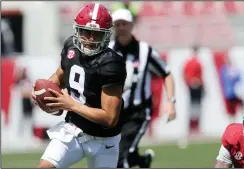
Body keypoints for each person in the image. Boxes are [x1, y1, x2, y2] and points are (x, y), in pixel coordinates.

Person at [31, 3, 127, 168]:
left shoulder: (111, 64)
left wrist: (72, 105)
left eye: (96, 34)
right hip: (73, 130)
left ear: (106, 35)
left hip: (105, 140)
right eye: (86, 32)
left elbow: (110, 118)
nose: (90, 39)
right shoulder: (71, 47)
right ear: (77, 30)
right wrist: (44, 91)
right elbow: (59, 76)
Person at [109, 9, 176, 168]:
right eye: (117, 24)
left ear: (132, 25)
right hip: (114, 113)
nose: (121, 27)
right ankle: (142, 161)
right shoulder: (108, 50)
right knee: (114, 152)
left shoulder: (145, 51)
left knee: (119, 156)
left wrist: (171, 102)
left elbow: (166, 74)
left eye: (124, 24)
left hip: (138, 112)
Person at [183, 45, 204, 135]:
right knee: (194, 106)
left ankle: (195, 126)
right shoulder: (192, 62)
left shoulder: (193, 62)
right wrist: (191, 82)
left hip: (196, 86)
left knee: (196, 107)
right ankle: (193, 126)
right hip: (194, 86)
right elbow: (187, 75)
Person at [220, 56, 244, 122]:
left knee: (237, 108)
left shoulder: (234, 70)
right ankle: (232, 122)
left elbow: (239, 79)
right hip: (229, 93)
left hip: (235, 93)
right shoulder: (224, 70)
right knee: (230, 110)